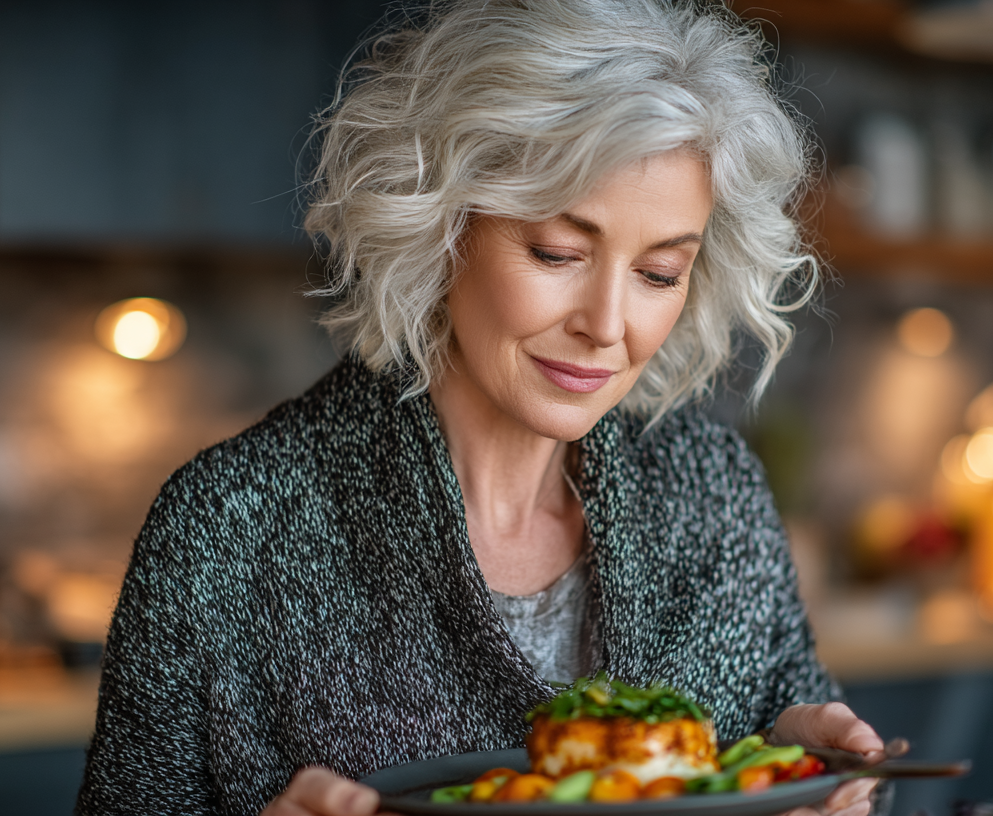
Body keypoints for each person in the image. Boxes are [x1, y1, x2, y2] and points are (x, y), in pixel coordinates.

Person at [76, 1, 886, 814]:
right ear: (440, 220)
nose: (606, 326)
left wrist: (823, 783)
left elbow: (809, 757)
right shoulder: (229, 528)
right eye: (556, 253)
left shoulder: (713, 492)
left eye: (659, 273)